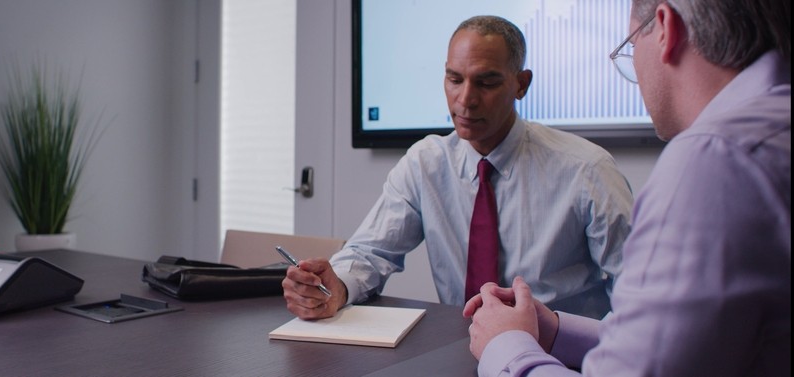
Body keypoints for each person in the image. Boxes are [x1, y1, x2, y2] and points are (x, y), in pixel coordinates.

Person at [463, 0, 791, 375]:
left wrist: (506, 346)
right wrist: (554, 331)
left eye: (632, 44)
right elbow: (685, 345)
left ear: (665, 28)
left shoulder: (715, 158)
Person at [282, 16, 634, 321]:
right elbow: (370, 252)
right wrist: (335, 287)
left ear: (521, 84)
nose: (465, 99)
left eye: (486, 82)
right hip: (460, 348)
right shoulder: (426, 164)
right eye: (454, 79)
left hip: (560, 356)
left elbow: (636, 288)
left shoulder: (587, 170)